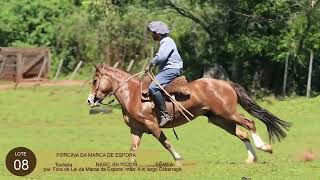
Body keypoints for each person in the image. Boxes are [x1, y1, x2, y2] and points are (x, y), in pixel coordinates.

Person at [146, 21, 183, 126]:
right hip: (169, 69)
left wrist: (150, 65)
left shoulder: (167, 41)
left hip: (171, 69)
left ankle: (165, 114)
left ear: (158, 33)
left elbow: (161, 56)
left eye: (153, 33)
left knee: (153, 87)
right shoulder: (165, 41)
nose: (152, 35)